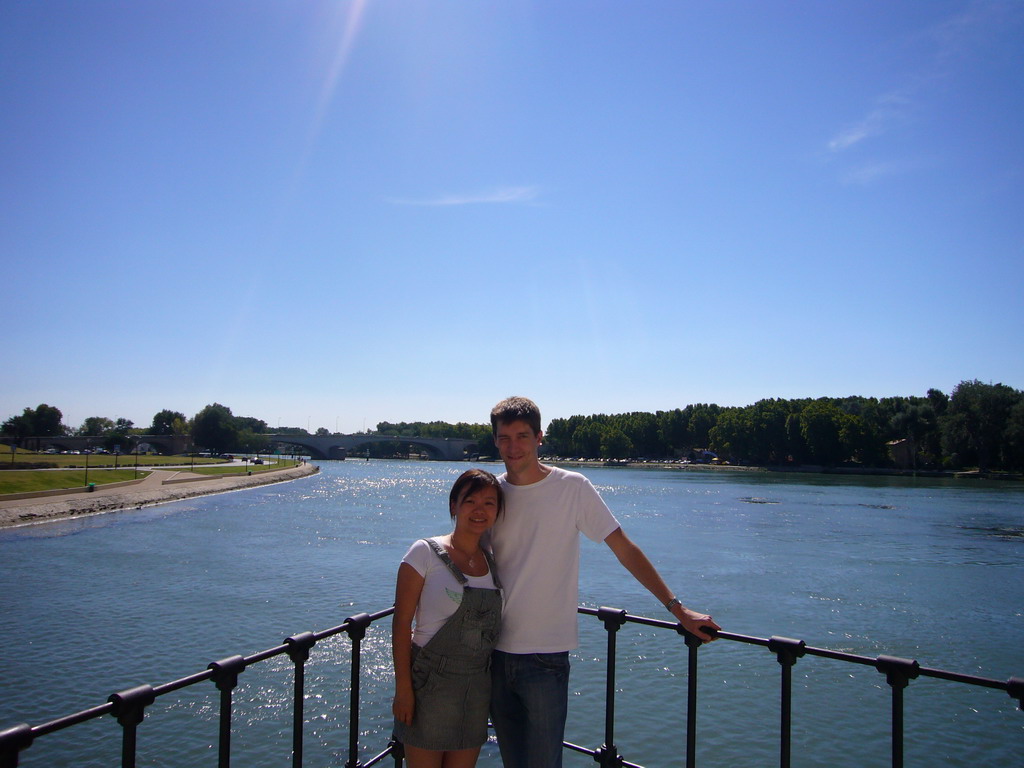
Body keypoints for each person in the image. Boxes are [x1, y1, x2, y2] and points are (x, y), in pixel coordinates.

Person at [487, 396, 721, 768]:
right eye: (504, 437)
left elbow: (623, 548)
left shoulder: (572, 487)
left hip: (544, 657)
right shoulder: (490, 494)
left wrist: (677, 609)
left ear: (539, 438)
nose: (513, 447)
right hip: (492, 654)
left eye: (522, 436)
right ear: (495, 440)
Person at [392, 469, 505, 768]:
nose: (479, 510)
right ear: (454, 505)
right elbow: (401, 624)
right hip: (430, 686)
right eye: (470, 501)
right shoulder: (424, 553)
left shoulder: (493, 562)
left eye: (489, 503)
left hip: (477, 688)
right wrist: (403, 689)